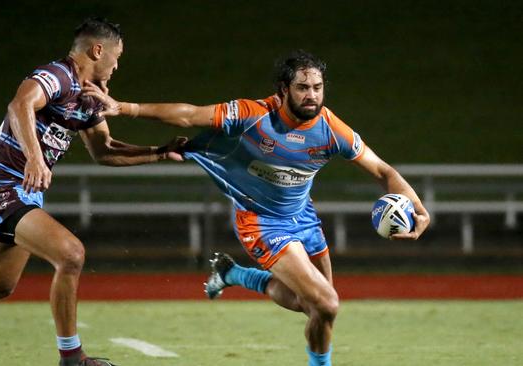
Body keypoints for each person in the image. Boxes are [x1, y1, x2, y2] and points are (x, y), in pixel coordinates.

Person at [85, 50, 431, 366]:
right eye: (302, 88)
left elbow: (383, 171)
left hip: (303, 217)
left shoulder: (330, 129)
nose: (311, 95)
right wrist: (124, 108)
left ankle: (233, 274)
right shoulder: (252, 114)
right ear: (283, 90)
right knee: (326, 303)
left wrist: (419, 209)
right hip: (261, 222)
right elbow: (190, 116)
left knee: (313, 307)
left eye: (317, 87)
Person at [0, 17, 184, 366]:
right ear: (98, 50)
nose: (117, 65)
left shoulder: (89, 98)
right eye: (117, 56)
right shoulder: (59, 75)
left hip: (22, 193)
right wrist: (35, 159)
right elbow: (19, 105)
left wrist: (158, 153)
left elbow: (105, 150)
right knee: (71, 254)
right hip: (0, 185)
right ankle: (72, 358)